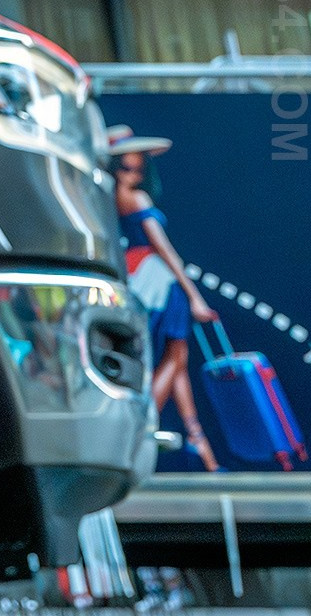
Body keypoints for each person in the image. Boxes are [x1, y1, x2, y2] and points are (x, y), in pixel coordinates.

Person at [111, 127, 221, 471]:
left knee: (178, 360)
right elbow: (165, 250)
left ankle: (198, 442)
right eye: (126, 168)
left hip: (136, 279)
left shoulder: (106, 198)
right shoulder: (136, 199)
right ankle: (140, 432)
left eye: (138, 168)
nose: (133, 175)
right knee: (174, 359)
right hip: (158, 281)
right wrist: (195, 297)